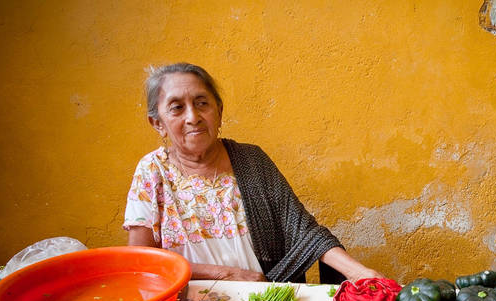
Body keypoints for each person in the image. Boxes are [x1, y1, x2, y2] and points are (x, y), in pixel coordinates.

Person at [123, 63, 381, 283]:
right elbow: (142, 261)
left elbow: (304, 231)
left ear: (219, 111)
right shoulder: (152, 171)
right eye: (177, 107)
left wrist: (360, 272)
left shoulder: (251, 161)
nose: (193, 117)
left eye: (202, 103)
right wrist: (224, 274)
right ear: (158, 123)